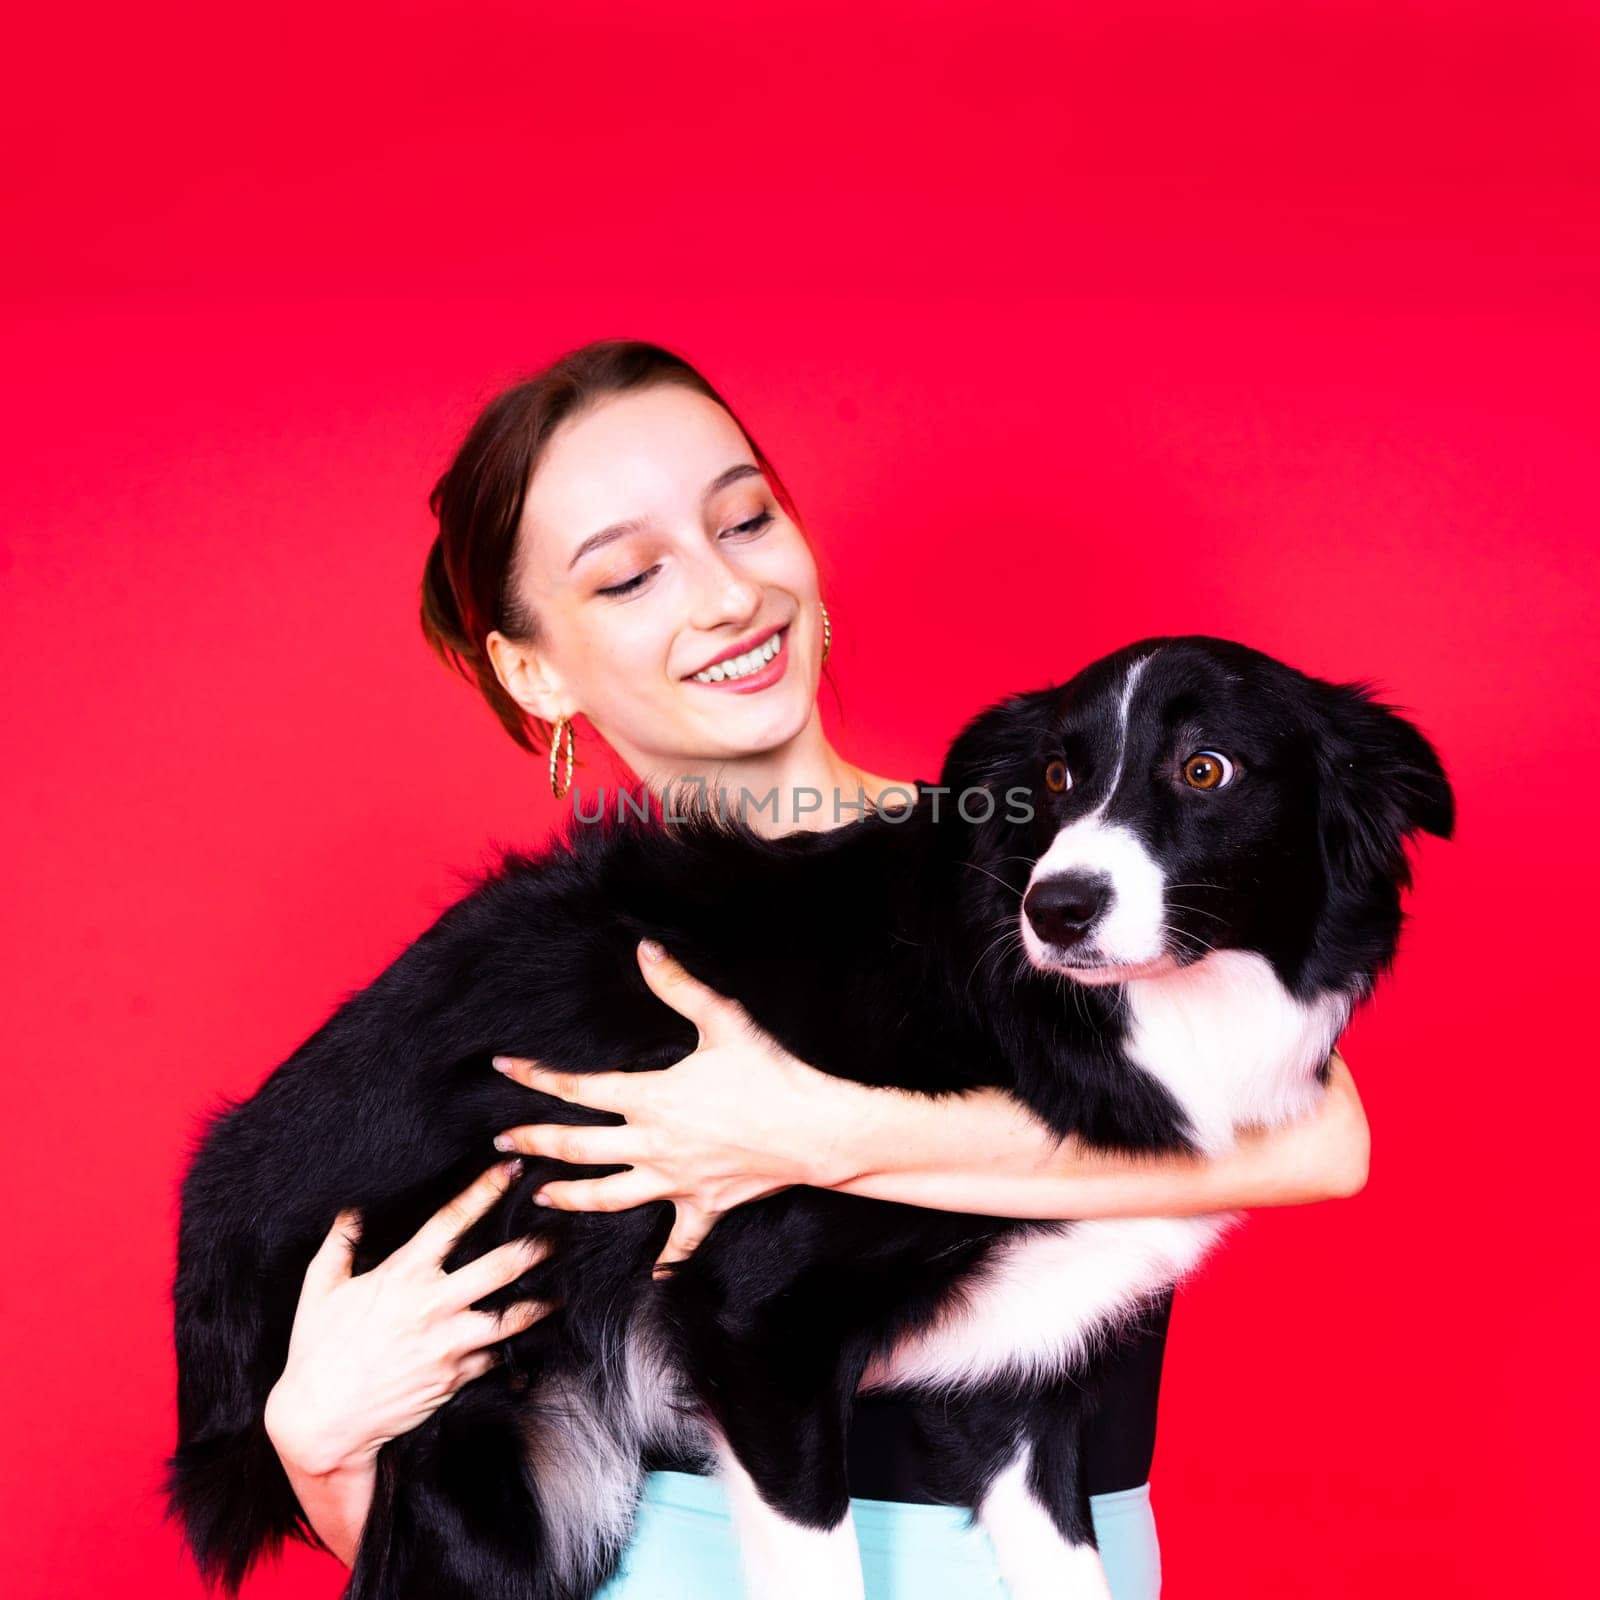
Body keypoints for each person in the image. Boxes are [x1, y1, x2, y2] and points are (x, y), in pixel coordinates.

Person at [262, 338, 1371, 1598]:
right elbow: (446, 1556)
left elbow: (1325, 1143)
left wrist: (815, 1131)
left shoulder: (1042, 874)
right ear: (532, 669)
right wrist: (317, 1444)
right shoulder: (547, 976)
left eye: (745, 520)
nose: (726, 594)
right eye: (628, 577)